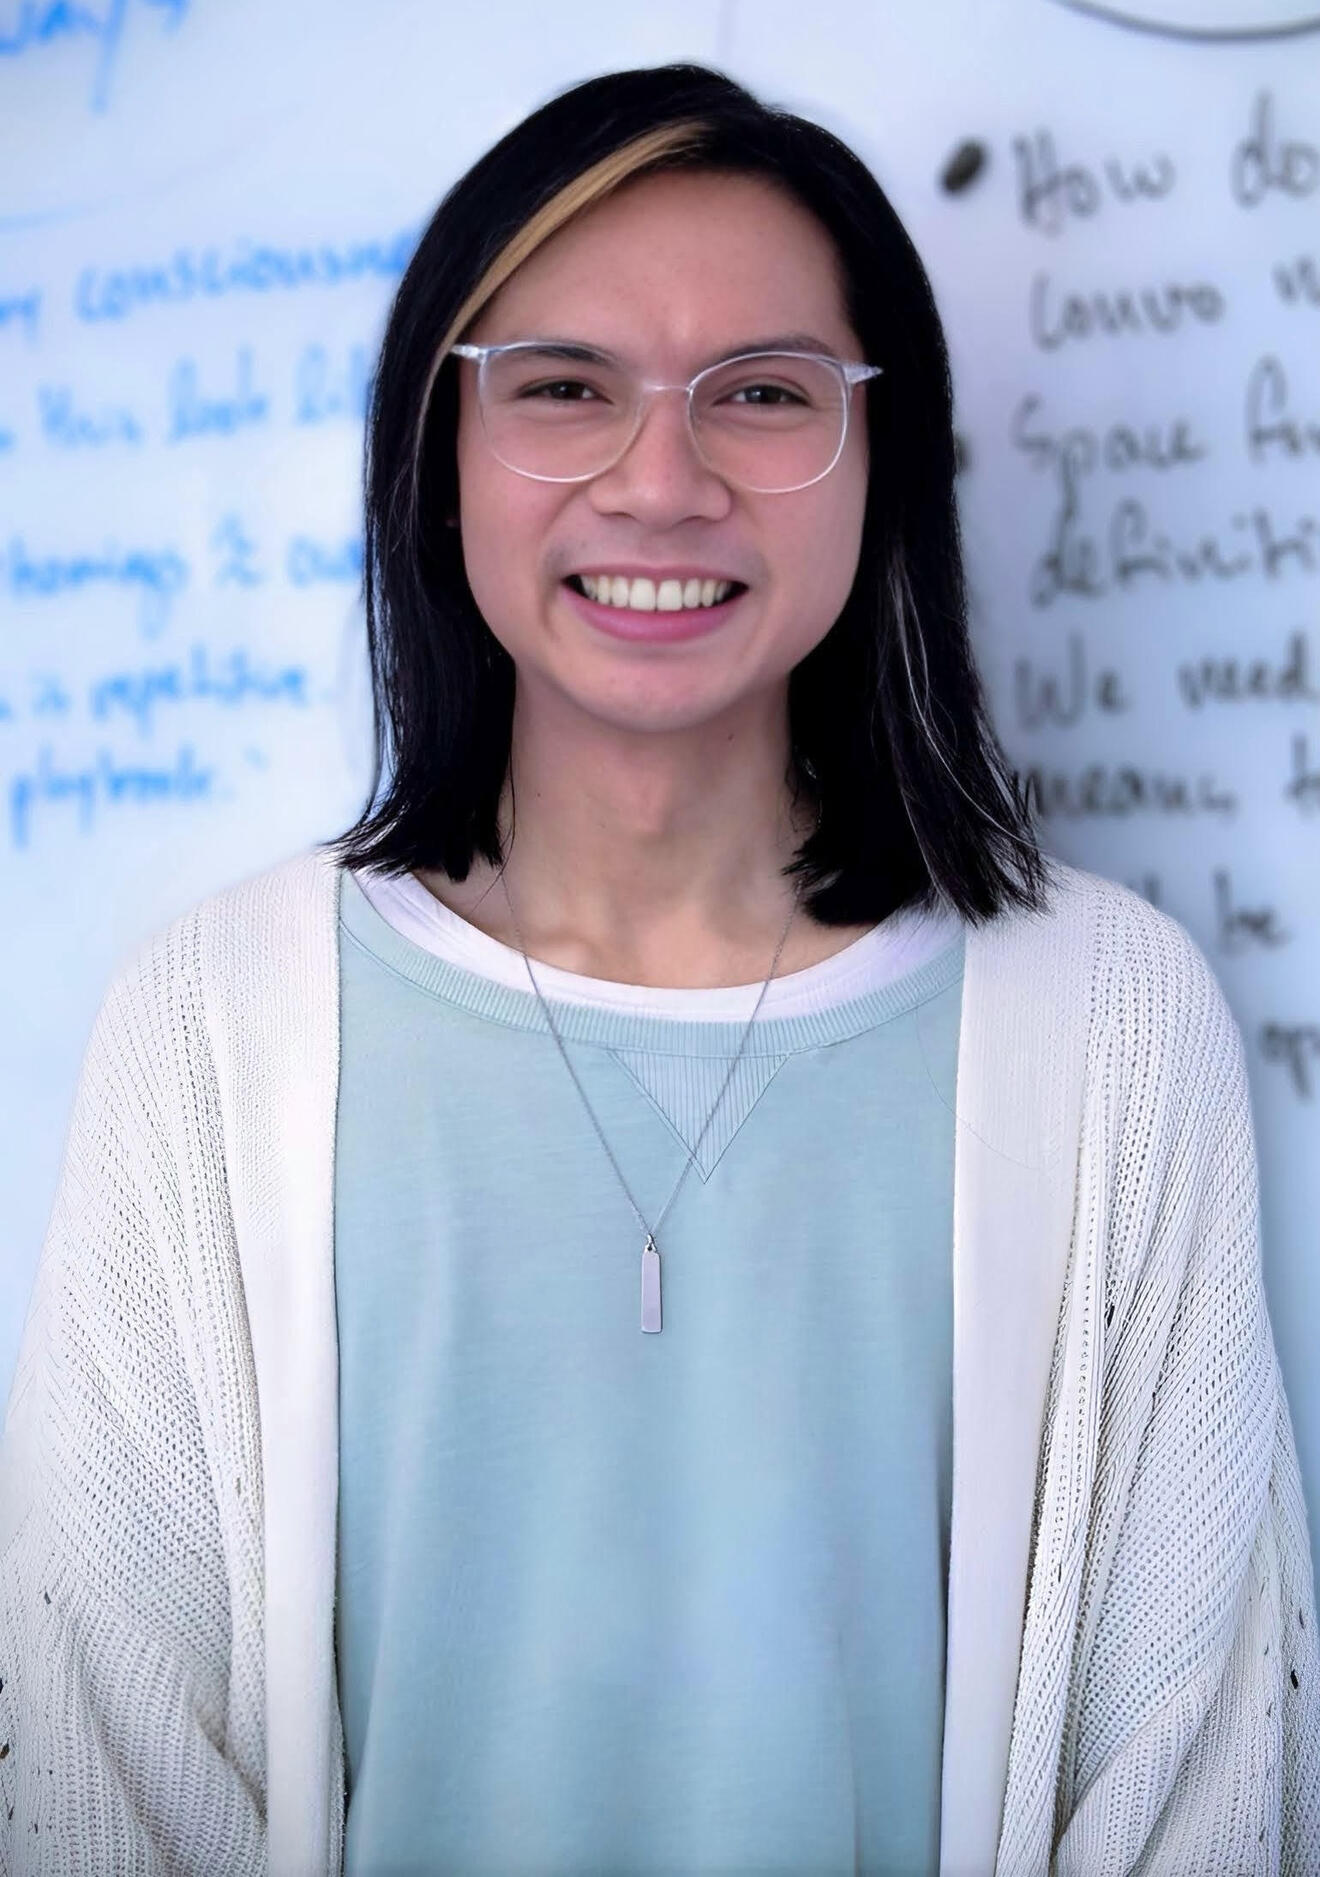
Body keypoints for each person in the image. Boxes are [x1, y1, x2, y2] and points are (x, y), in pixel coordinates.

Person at [0, 60, 1316, 1877]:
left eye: (765, 394)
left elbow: (1197, 1775)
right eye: (563, 390)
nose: (663, 479)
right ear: (436, 449)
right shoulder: (212, 1026)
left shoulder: (1113, 1026)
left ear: (886, 453)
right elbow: (101, 1762)